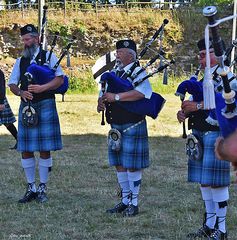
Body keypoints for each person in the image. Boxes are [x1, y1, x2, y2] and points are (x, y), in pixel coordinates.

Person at [176, 38, 230, 240]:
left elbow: (229, 106)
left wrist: (197, 106)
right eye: (199, 55)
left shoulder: (229, 79)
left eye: (203, 54)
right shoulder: (202, 79)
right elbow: (194, 101)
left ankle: (222, 230)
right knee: (204, 182)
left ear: (217, 55)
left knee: (217, 183)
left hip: (217, 136)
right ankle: (209, 225)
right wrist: (184, 113)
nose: (199, 59)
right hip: (198, 134)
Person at [8, 24, 64, 203]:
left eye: (28, 39)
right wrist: (21, 93)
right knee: (25, 149)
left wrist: (42, 88)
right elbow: (12, 84)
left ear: (37, 39)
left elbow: (59, 79)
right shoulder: (20, 61)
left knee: (44, 148)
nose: (25, 43)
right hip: (27, 107)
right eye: (23, 40)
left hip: (46, 103)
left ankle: (42, 188)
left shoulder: (49, 56)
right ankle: (31, 186)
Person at [97, 39, 152, 217]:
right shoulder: (114, 72)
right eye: (117, 52)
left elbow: (143, 93)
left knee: (132, 165)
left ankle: (134, 204)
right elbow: (105, 93)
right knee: (119, 164)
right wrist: (101, 101)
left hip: (132, 124)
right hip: (116, 125)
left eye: (119, 52)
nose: (117, 55)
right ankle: (125, 200)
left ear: (130, 55)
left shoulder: (138, 72)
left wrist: (117, 97)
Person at [0, 69, 18, 150]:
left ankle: (20, 141)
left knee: (8, 123)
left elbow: (2, 87)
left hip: (0, 99)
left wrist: (1, 102)